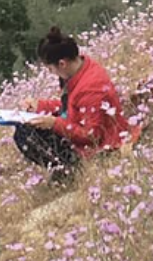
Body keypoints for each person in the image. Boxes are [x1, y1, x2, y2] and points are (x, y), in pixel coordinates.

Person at [12, 28, 136, 178]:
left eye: (51, 68)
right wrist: (41, 106)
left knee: (26, 134)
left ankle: (71, 172)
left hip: (101, 143)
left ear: (62, 63)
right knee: (24, 126)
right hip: (76, 126)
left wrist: (54, 123)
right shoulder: (81, 69)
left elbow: (92, 136)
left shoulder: (90, 87)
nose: (52, 73)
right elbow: (72, 108)